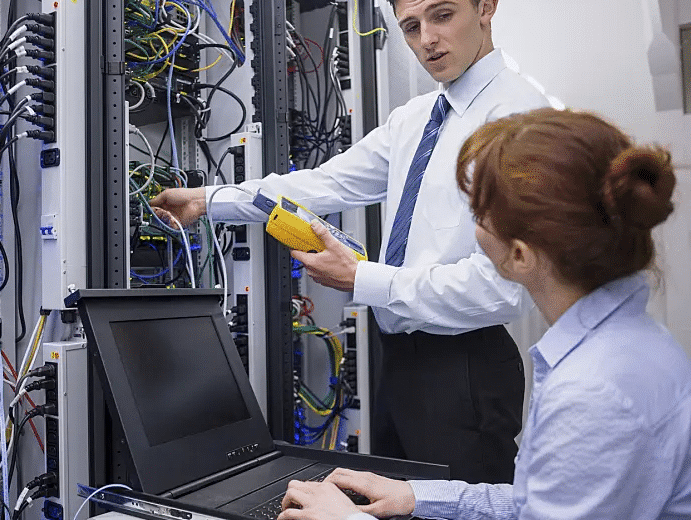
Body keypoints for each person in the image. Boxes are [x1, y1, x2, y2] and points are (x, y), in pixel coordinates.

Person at [151, 0, 551, 483]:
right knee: (389, 505)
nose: (427, 40)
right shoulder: (416, 119)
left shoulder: (521, 119)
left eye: (443, 15)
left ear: (486, 8)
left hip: (465, 369)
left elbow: (504, 287)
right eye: (411, 27)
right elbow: (326, 182)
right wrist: (210, 200)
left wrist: (362, 278)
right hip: (401, 360)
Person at [277, 108, 691, 520]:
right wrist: (416, 496)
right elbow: (535, 504)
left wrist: (345, 519)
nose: (472, 228)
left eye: (476, 214)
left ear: (520, 256)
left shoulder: (594, 392)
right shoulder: (625, 346)